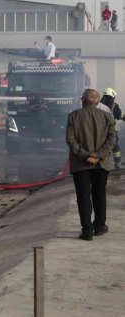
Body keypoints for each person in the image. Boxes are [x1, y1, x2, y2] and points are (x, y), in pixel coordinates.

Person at [66, 88, 117, 241]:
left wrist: (85, 156)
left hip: (81, 165)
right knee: (99, 195)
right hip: (101, 165)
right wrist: (98, 156)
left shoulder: (73, 116)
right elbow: (111, 140)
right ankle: (100, 227)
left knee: (83, 197)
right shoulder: (108, 116)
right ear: (98, 101)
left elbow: (71, 140)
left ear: (83, 100)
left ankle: (87, 231)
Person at [100, 88, 122, 169]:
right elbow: (120, 115)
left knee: (102, 146)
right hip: (112, 131)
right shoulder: (115, 106)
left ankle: (103, 164)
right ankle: (117, 163)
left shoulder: (97, 104)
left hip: (100, 131)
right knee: (115, 146)